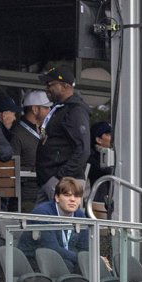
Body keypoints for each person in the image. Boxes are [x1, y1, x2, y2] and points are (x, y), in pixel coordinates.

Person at [35, 68, 91, 202]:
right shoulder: (59, 108)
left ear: (65, 86)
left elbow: (83, 150)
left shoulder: (75, 111)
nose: (47, 88)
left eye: (51, 84)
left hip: (63, 183)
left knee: (61, 223)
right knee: (39, 221)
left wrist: (60, 178)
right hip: (50, 181)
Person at [26, 176, 93, 271]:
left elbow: (85, 248)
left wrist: (92, 260)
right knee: (71, 266)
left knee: (93, 268)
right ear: (57, 198)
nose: (73, 199)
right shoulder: (43, 212)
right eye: (67, 195)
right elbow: (52, 249)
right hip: (35, 262)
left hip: (65, 260)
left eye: (77, 196)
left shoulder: (79, 215)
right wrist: (87, 259)